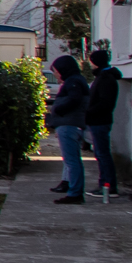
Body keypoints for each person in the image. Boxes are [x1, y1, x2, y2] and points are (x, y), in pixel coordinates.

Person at [47, 53, 90, 203]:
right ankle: (73, 190)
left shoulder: (73, 82)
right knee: (72, 160)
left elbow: (74, 99)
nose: (55, 75)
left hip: (69, 125)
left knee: (72, 161)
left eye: (56, 72)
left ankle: (75, 193)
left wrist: (59, 111)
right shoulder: (77, 80)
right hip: (71, 124)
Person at [86, 42, 124, 197]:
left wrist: (88, 112)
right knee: (101, 154)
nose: (91, 66)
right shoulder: (104, 77)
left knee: (103, 154)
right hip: (99, 120)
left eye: (92, 63)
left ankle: (108, 186)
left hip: (100, 121)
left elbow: (104, 103)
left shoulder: (106, 79)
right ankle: (105, 185)